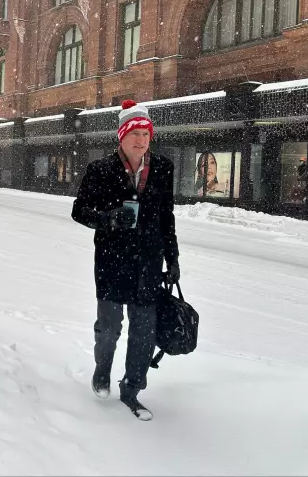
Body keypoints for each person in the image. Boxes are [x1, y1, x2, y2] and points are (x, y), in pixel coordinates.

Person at [71, 100, 180, 421]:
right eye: (135, 133)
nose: (141, 140)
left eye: (146, 134)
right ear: (121, 136)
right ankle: (102, 370)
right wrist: (108, 219)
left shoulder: (162, 168)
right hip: (111, 261)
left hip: (149, 262)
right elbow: (79, 211)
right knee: (109, 328)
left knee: (144, 331)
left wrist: (172, 258)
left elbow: (166, 217)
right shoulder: (100, 170)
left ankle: (132, 388)